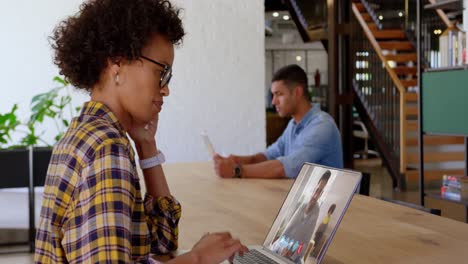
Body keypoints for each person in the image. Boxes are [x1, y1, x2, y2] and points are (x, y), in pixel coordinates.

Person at [34, 1, 246, 263]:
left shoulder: (90, 131)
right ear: (117, 65)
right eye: (161, 72)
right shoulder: (105, 148)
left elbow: (160, 240)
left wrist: (146, 146)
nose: (166, 88)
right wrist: (199, 258)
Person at [213, 65, 343, 179]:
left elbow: (287, 167)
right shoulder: (293, 125)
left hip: (327, 204)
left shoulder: (322, 126)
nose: (273, 101)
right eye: (273, 95)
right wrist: (236, 160)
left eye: (279, 94)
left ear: (297, 92)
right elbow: (268, 156)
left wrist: (236, 170)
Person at [269, 170, 331, 263]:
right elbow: (285, 233)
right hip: (281, 248)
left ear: (321, 194)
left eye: (320, 192)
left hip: (294, 256)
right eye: (316, 190)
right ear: (314, 188)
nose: (315, 196)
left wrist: (292, 253)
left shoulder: (316, 211)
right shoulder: (302, 206)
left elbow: (304, 244)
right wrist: (283, 249)